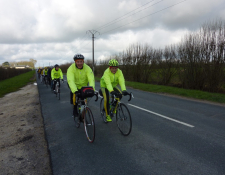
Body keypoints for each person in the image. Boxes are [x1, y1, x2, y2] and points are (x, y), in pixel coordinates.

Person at [67, 54, 95, 120]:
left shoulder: (87, 68)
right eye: (78, 61)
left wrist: (92, 89)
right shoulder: (71, 69)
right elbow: (71, 80)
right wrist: (75, 90)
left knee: (84, 102)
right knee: (75, 96)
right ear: (75, 62)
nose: (79, 63)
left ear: (83, 61)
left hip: (83, 86)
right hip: (74, 85)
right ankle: (74, 108)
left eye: (81, 61)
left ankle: (83, 117)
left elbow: (91, 79)